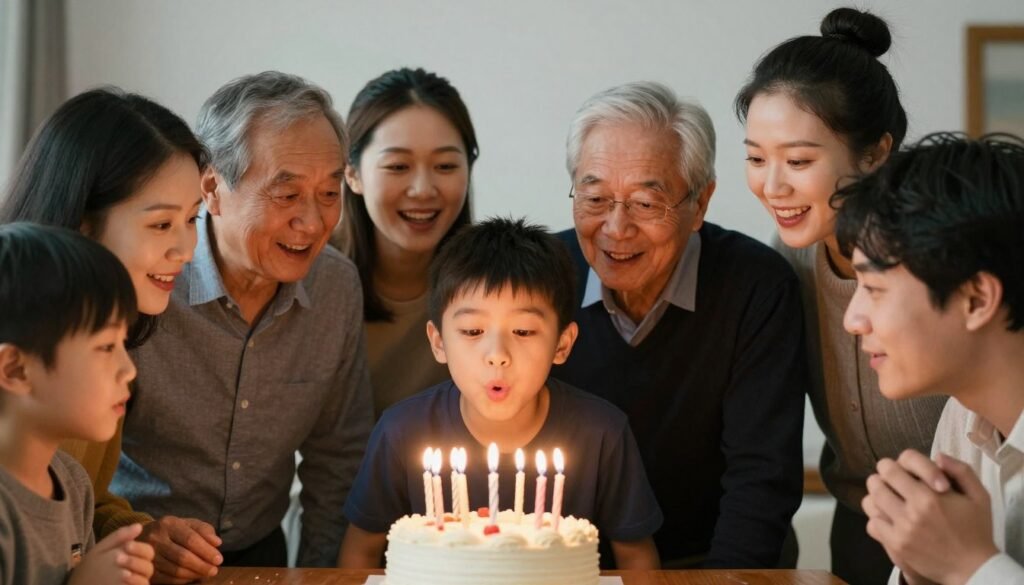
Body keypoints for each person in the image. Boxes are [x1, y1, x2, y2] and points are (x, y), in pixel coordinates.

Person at [111, 71, 374, 567]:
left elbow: (337, 461)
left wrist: (322, 578)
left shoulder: (335, 287)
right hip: (134, 557)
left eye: (329, 193)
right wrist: (134, 535)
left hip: (261, 555)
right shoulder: (150, 278)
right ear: (211, 188)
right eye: (287, 193)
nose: (314, 222)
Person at [551, 81, 806, 568]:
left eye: (646, 204)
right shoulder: (539, 278)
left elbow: (761, 477)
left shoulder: (756, 286)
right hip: (570, 569)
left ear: (700, 204)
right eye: (596, 198)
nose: (616, 228)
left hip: (716, 562)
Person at [734, 8, 948, 583]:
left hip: (967, 519)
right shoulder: (789, 256)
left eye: (799, 161)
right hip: (863, 525)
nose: (772, 186)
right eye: (756, 158)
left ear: (876, 152)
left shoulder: (943, 251)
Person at [338, 218, 663, 569]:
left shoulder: (602, 433)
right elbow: (361, 552)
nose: (497, 354)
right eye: (473, 330)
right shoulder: (402, 431)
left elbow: (636, 557)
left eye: (523, 330)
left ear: (562, 344)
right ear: (438, 341)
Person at [0, 88, 224, 583]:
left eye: (191, 221)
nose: (186, 250)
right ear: (81, 225)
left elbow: (78, 505)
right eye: (162, 223)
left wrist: (141, 537)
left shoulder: (106, 350)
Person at [837, 133, 1024, 584]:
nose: (852, 319)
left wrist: (969, 567)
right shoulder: (963, 419)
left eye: (875, 289)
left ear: (977, 298)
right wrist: (923, 572)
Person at [0, 222, 155, 585]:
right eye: (105, 347)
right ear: (16, 369)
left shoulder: (72, 483)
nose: (128, 369)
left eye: (123, 344)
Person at [334, 67, 477, 418]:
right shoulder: (310, 279)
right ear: (352, 173)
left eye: (445, 166)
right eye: (398, 166)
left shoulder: (492, 284)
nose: (422, 190)